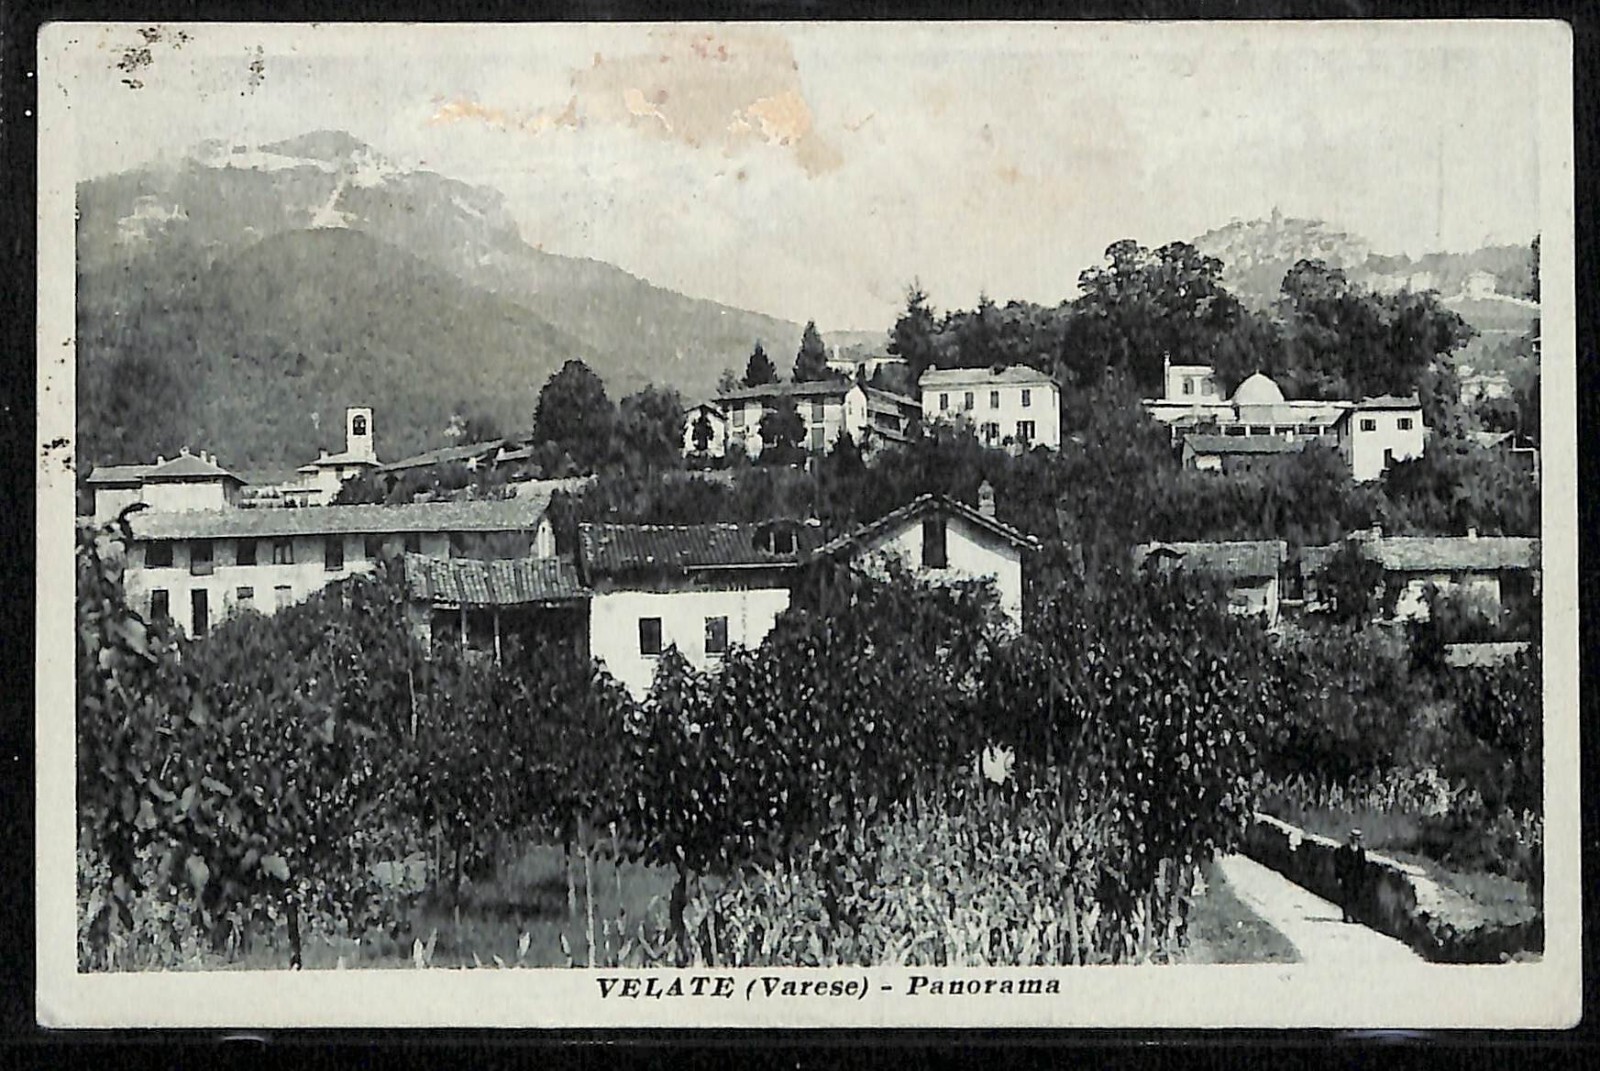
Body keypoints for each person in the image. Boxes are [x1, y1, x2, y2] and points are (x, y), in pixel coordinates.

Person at [1334, 828, 1366, 923]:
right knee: (1347, 896)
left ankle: (1355, 915)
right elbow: (1339, 864)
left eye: (1357, 839)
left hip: (1357, 877)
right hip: (1346, 877)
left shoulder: (1360, 851)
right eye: (1354, 838)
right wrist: (1339, 876)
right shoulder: (1343, 850)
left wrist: (1363, 878)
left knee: (1356, 896)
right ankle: (1347, 915)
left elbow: (1362, 865)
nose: (1355, 840)